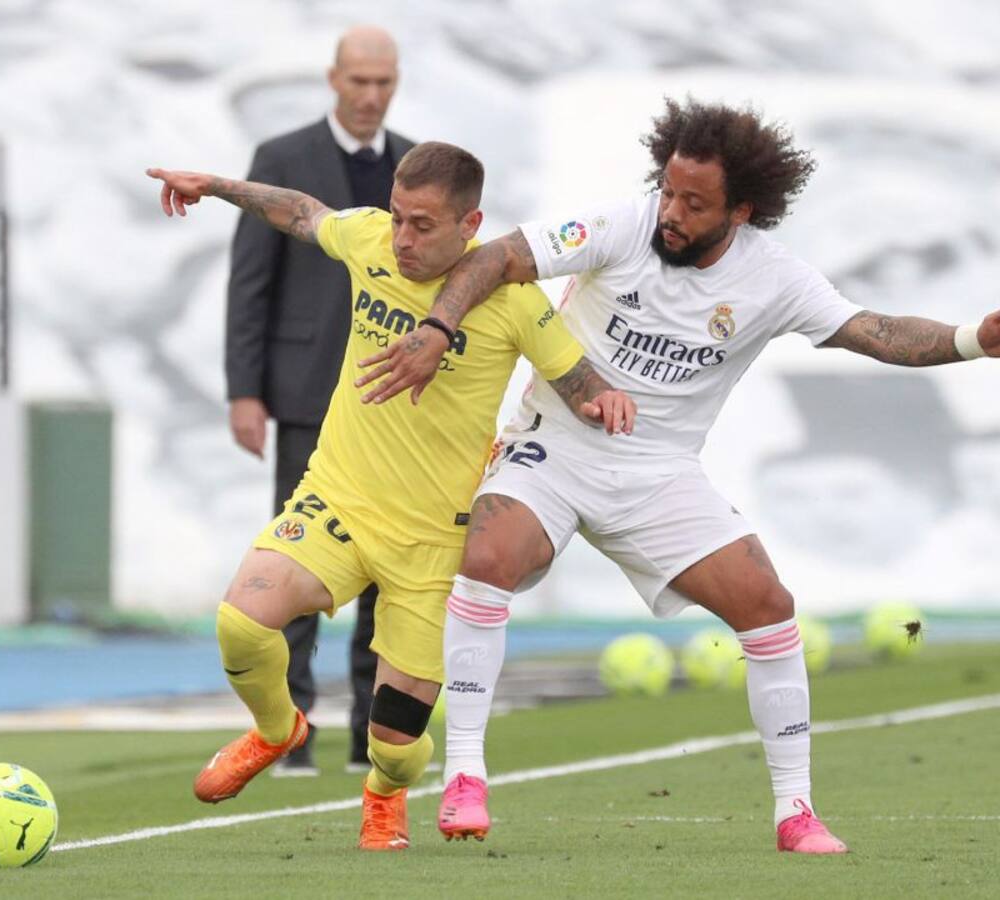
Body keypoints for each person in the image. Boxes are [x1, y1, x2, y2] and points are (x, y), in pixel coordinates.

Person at [354, 97, 1000, 854]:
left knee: (768, 605)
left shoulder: (774, 278)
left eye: (694, 204)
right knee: (489, 553)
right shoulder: (619, 225)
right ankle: (465, 774)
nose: (671, 212)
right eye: (667, 191)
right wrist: (438, 327)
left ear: (741, 211)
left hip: (657, 473)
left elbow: (875, 331)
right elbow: (496, 257)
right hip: (552, 448)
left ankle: (796, 811)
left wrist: (972, 338)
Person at [146, 141, 636, 850]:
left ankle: (384, 791)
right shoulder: (370, 240)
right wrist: (214, 184)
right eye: (399, 217)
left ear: (471, 225)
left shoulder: (514, 301)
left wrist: (606, 399)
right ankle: (278, 730)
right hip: (338, 500)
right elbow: (301, 212)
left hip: (431, 540)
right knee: (241, 623)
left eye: (422, 225)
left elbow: (576, 377)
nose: (402, 238)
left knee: (398, 745)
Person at [224, 26, 414, 775]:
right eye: (359, 81)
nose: (370, 96)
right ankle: (291, 729)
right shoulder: (281, 159)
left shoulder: (416, 167)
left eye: (383, 82)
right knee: (296, 554)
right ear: (334, 79)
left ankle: (373, 729)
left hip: (395, 400)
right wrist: (245, 391)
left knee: (388, 568)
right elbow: (250, 281)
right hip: (306, 395)